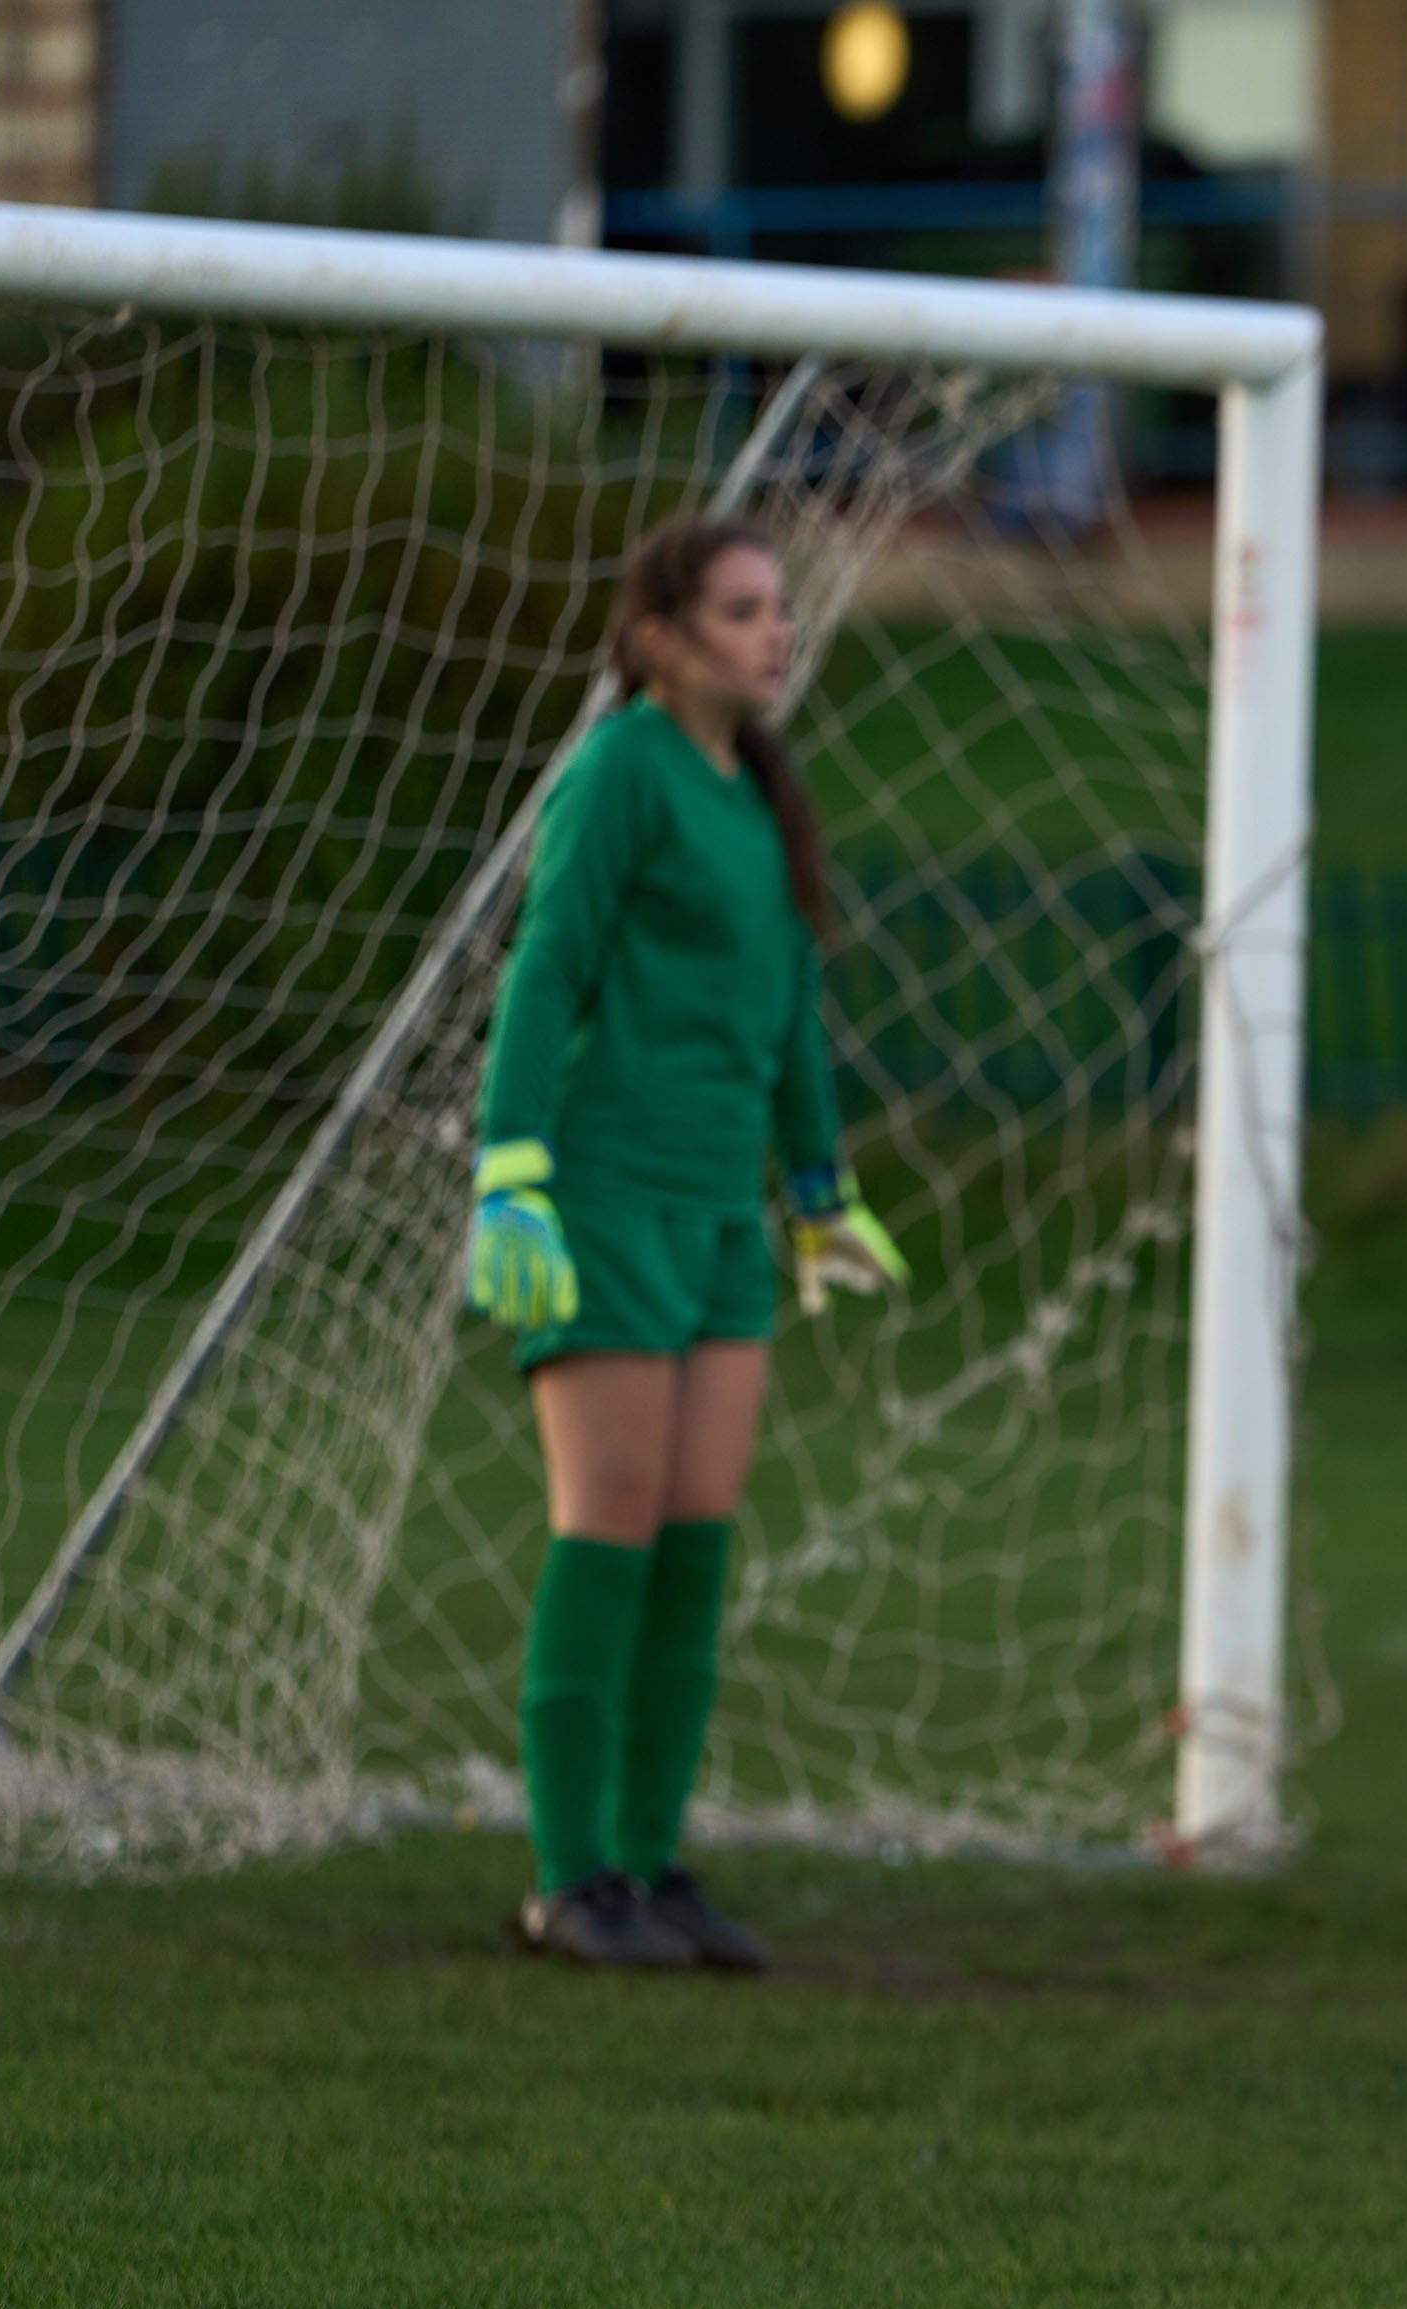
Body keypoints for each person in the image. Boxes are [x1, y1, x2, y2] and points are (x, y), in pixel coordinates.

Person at [463, 517, 907, 1973]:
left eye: (779, 607)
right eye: (741, 609)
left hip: (725, 1218)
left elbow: (785, 1015)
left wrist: (819, 1190)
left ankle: (652, 1861)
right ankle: (567, 1876)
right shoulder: (620, 772)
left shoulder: (755, 793)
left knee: (698, 1541)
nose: (777, 631)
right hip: (606, 1197)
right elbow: (548, 963)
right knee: (611, 1525)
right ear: (658, 638)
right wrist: (512, 1169)